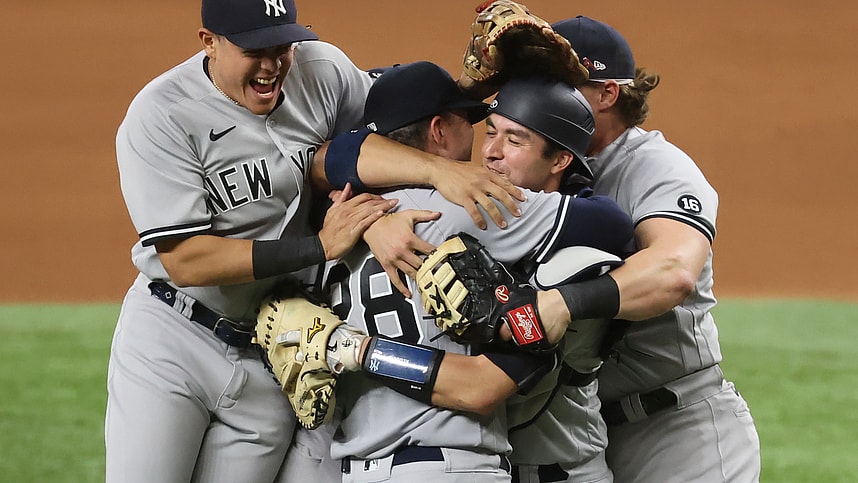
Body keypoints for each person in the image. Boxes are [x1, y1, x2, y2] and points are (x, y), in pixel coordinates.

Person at [107, 0, 523, 480]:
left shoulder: (322, 72)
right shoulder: (162, 115)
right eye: (254, 49)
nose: (272, 64)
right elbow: (187, 260)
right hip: (173, 337)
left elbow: (394, 128)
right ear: (209, 41)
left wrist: (471, 95)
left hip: (277, 347)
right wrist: (320, 247)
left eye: (282, 44)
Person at [309, 63, 632, 482]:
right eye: (475, 125)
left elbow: (324, 161)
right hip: (454, 464)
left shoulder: (332, 223)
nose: (486, 149)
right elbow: (612, 224)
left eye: (510, 138)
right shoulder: (473, 206)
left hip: (357, 469)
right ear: (439, 130)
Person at [498, 15, 761, 483]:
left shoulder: (655, 167)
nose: (536, 92)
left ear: (607, 92)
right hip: (580, 435)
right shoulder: (529, 163)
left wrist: (564, 302)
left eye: (558, 80)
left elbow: (674, 269)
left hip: (676, 429)